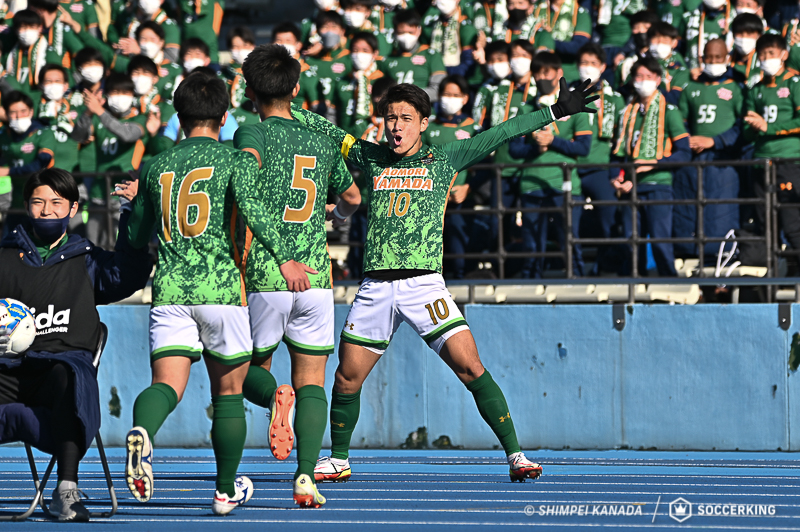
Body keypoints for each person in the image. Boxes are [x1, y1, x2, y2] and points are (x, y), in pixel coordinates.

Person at [289, 78, 598, 483]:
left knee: (471, 368)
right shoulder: (371, 157)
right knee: (347, 378)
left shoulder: (445, 157)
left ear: (424, 123)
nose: (395, 126)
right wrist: (278, 102)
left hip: (424, 285)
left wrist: (554, 113)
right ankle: (340, 458)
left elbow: (501, 132)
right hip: (376, 286)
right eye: (389, 118)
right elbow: (330, 131)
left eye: (405, 118)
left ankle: (516, 455)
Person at [123, 71, 313, 515]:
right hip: (222, 288)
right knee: (228, 392)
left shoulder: (156, 165)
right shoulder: (234, 159)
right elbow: (252, 209)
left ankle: (143, 433)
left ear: (178, 115)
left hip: (170, 290)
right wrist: (284, 256)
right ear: (225, 116)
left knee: (166, 385)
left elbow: (135, 237)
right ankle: (226, 490)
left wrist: (130, 206)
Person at [233, 44, 361, 507]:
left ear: (249, 91)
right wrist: (336, 213)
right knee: (313, 382)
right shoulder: (319, 139)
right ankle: (306, 476)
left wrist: (282, 254)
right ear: (295, 87)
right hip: (316, 278)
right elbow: (351, 197)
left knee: (242, 371)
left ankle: (273, 400)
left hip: (269, 275)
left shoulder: (252, 131)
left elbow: (246, 194)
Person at [0, 168, 151, 521]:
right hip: (8, 371)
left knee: (69, 377)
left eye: (57, 202)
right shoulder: (5, 256)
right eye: (38, 202)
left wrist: (132, 215)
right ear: (26, 207)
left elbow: (125, 275)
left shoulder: (86, 259)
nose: (47, 210)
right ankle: (25, 422)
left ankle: (66, 490)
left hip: (60, 371)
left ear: (73, 208)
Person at [508, 52, 590, 278]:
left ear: (559, 73)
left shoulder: (575, 106)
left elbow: (584, 148)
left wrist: (554, 141)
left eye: (547, 72)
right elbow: (514, 150)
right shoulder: (525, 109)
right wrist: (536, 148)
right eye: (538, 73)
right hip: (531, 185)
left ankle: (579, 282)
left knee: (569, 240)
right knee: (532, 244)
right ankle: (529, 285)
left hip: (564, 185)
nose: (543, 77)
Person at [614, 57, 691, 276]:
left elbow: (684, 153)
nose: (643, 81)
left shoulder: (670, 111)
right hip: (631, 188)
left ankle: (671, 287)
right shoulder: (627, 112)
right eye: (639, 76)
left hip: (658, 185)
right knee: (631, 243)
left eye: (649, 77)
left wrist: (655, 164)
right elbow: (618, 155)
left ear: (658, 80)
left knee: (660, 242)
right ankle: (634, 292)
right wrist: (616, 178)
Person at [675, 38, 743, 261]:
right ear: (702, 58)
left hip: (723, 159)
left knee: (721, 212)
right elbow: (680, 122)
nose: (713, 62)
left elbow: (742, 125)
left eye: (718, 58)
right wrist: (687, 140)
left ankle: (724, 260)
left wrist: (715, 141)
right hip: (694, 158)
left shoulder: (736, 88)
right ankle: (690, 258)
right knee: (690, 210)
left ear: (727, 59)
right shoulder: (691, 88)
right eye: (709, 58)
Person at [743, 33, 800, 253]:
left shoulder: (795, 84)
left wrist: (769, 128)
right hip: (761, 163)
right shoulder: (755, 89)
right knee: (765, 222)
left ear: (784, 55)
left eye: (771, 53)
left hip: (789, 161)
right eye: (762, 54)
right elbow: (748, 134)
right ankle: (773, 278)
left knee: (792, 220)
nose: (766, 58)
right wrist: (752, 127)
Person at [423, 74, 481, 279]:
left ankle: (459, 277)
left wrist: (469, 187)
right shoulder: (428, 126)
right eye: (446, 94)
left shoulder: (473, 127)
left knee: (458, 238)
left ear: (465, 98)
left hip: (460, 197)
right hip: (431, 197)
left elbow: (483, 165)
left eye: (455, 95)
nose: (450, 98)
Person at [574, 43, 624, 276]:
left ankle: (604, 265)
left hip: (600, 168)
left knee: (609, 219)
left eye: (593, 64)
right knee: (570, 223)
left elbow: (620, 141)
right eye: (583, 63)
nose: (587, 68)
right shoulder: (566, 96)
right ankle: (574, 269)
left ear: (603, 67)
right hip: (571, 168)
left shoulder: (615, 99)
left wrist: (615, 171)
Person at [379, 9, 447, 102]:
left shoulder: (431, 55)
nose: (406, 36)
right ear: (395, 32)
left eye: (411, 32)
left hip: (424, 110)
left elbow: (438, 89)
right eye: (401, 33)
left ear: (419, 30)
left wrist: (409, 97)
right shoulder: (388, 59)